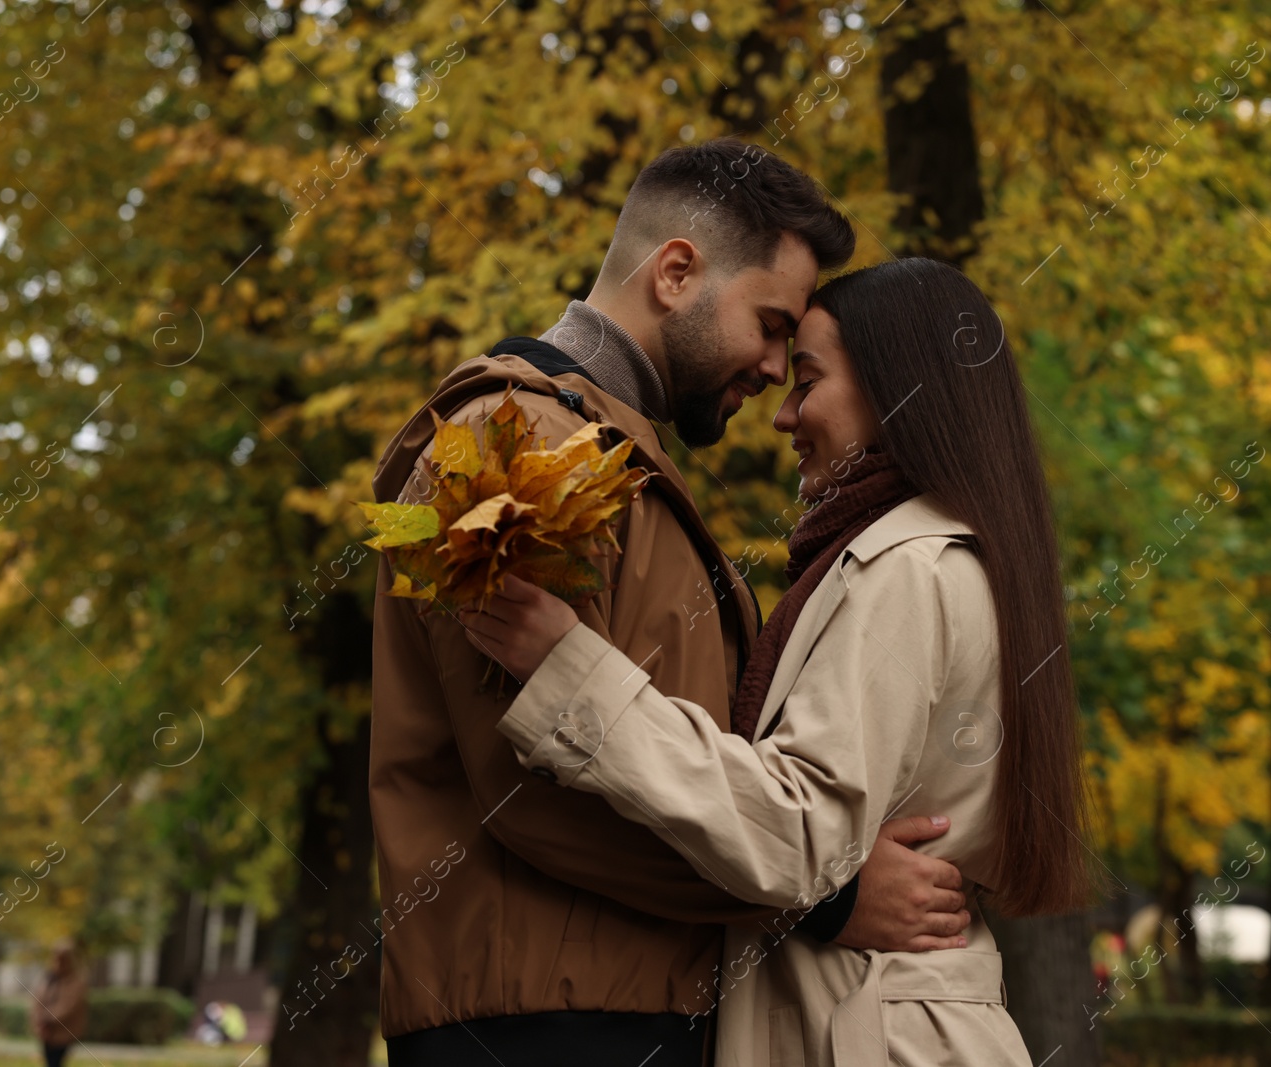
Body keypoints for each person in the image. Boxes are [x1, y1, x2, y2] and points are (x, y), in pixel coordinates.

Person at [369, 142, 972, 1067]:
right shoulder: (516, 444)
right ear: (678, 272)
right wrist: (823, 896)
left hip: (613, 1013)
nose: (776, 370)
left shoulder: (608, 456)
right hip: (541, 1029)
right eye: (770, 325)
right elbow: (528, 784)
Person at [462, 258, 1096, 1066]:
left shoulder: (906, 565)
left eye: (808, 380)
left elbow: (801, 829)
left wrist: (570, 670)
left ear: (897, 390)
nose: (784, 415)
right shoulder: (941, 555)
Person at [29, 941, 86, 1067]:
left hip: (63, 1032)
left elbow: (69, 1006)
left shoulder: (74, 981)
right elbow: (37, 1000)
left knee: (55, 1062)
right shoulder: (49, 978)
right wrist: (39, 1020)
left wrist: (48, 1018)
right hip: (45, 1031)